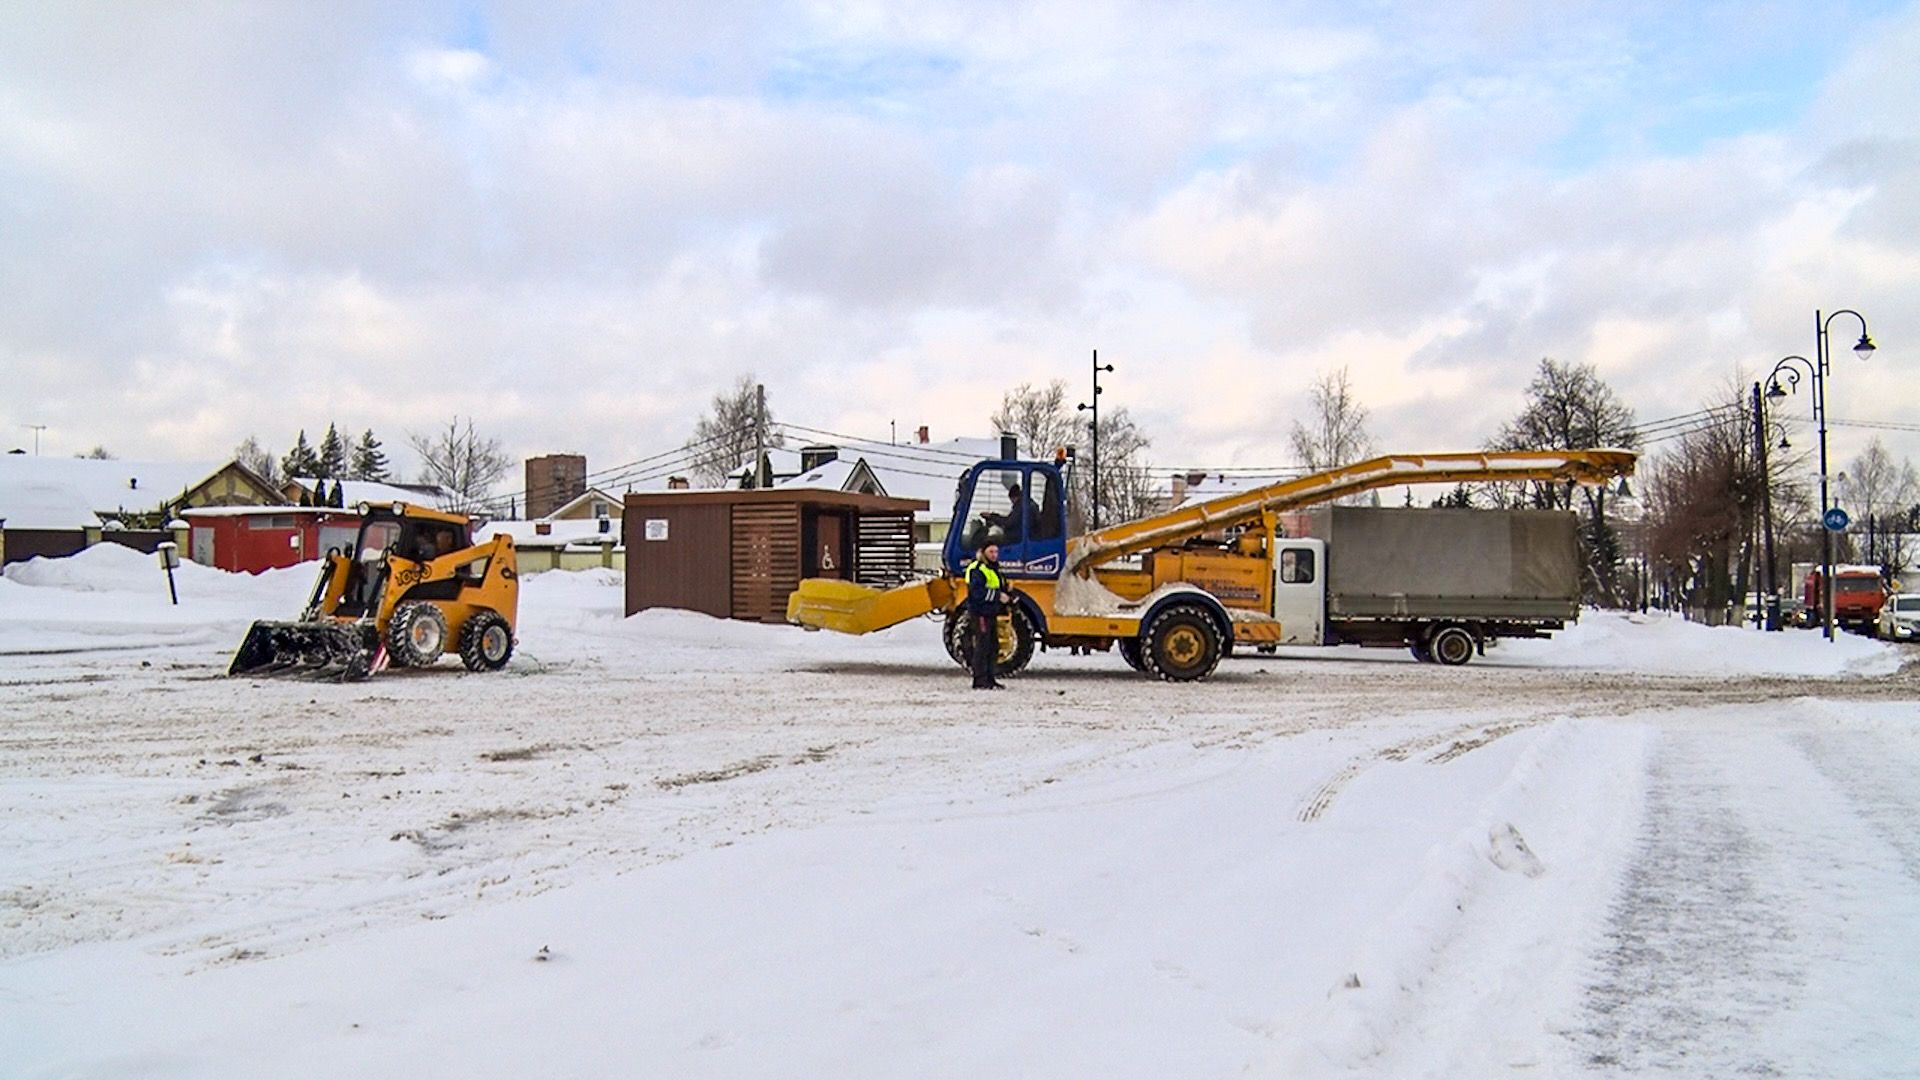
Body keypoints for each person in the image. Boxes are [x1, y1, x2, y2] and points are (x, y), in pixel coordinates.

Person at [964, 541, 1011, 689]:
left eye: (996, 552)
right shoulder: (977, 568)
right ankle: (980, 680)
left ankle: (990, 678)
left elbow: (997, 586)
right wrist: (998, 596)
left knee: (993, 646)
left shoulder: (994, 568)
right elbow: (977, 593)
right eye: (991, 552)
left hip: (991, 612)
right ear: (983, 552)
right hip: (980, 613)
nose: (994, 555)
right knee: (982, 646)